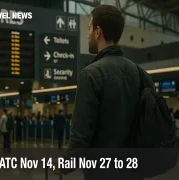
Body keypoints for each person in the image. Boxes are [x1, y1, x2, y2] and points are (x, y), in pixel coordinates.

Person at [54, 5, 145, 180]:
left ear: (98, 32)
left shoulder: (91, 74)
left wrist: (65, 165)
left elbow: (81, 134)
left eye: (89, 28)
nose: (87, 34)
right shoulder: (139, 73)